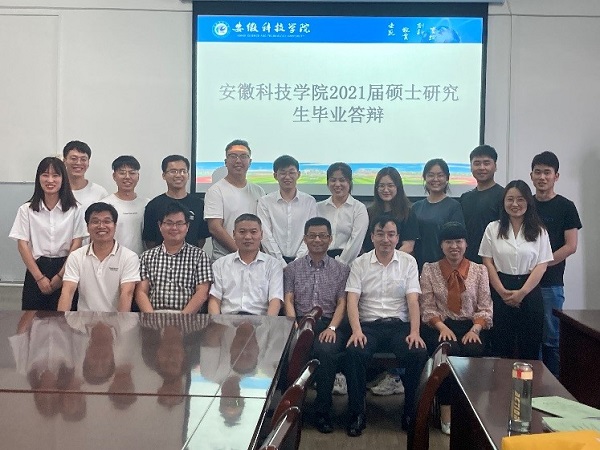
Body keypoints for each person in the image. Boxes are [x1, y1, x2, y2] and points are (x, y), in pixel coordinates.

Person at [344, 217, 427, 437]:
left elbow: (413, 300)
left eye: (391, 234)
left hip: (399, 326)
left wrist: (415, 332)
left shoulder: (408, 262)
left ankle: (411, 413)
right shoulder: (360, 263)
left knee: (417, 352)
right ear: (372, 237)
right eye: (380, 234)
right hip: (368, 326)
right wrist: (356, 331)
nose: (385, 239)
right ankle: (357, 414)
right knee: (354, 352)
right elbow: (352, 300)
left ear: (398, 238)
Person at [420, 222, 493, 434]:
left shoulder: (479, 270)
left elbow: (485, 306)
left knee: (473, 351)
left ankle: (471, 411)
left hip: (471, 326)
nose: (454, 246)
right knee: (446, 355)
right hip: (440, 326)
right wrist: (441, 327)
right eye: (448, 242)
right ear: (441, 245)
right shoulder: (430, 270)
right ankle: (446, 411)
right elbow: (427, 306)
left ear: (466, 244)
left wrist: (475, 329)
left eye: (458, 241)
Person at [283, 217, 351, 433]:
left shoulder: (341, 269)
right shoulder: (292, 269)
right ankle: (289, 411)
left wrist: (332, 328)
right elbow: (288, 299)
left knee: (326, 351)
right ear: (304, 239)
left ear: (330, 239)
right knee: (287, 352)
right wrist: (294, 325)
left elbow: (342, 303)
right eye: (312, 236)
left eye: (322, 236)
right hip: (299, 322)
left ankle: (323, 412)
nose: (317, 240)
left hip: (328, 324)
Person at [479, 180, 553, 360]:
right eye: (510, 199)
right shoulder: (493, 228)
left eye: (520, 199)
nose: (515, 204)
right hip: (500, 287)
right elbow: (487, 261)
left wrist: (522, 293)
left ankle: (529, 379)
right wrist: (502, 291)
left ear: (528, 202)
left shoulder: (539, 230)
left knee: (530, 347)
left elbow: (542, 265)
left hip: (530, 290)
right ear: (503, 202)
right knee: (501, 346)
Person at [9, 157, 87, 310]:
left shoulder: (76, 209)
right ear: (38, 178)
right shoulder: (26, 210)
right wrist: (39, 278)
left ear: (63, 179)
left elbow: (76, 244)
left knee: (65, 320)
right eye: (45, 175)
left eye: (55, 175)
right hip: (36, 269)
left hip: (66, 268)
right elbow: (22, 245)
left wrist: (61, 276)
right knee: (32, 319)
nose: (50, 180)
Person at [530, 151, 582, 377]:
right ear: (531, 175)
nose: (542, 177)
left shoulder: (566, 206)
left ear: (556, 176)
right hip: (524, 284)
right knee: (530, 340)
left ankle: (554, 389)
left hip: (551, 284)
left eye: (547, 172)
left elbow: (571, 246)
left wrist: (543, 264)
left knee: (551, 340)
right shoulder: (525, 204)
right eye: (538, 172)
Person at [57, 202, 140, 312]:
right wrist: (61, 321)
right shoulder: (76, 256)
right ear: (87, 227)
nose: (101, 226)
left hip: (116, 320)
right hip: (84, 320)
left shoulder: (129, 257)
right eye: (95, 222)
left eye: (107, 221)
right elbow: (67, 292)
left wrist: (120, 322)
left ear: (115, 226)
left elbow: (127, 294)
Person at [136, 201, 213, 313]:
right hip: (154, 316)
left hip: (188, 317)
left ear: (187, 226)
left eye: (179, 223)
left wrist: (182, 318)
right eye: (169, 223)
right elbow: (141, 292)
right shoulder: (146, 257)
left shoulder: (200, 256)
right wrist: (152, 318)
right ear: (160, 225)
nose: (174, 228)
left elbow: (202, 292)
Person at [208, 214, 283, 316]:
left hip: (260, 321)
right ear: (234, 234)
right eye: (242, 232)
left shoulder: (273, 265)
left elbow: (275, 301)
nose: (248, 237)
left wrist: (267, 324)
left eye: (253, 232)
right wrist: (216, 323)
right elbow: (214, 300)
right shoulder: (220, 264)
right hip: (227, 321)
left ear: (261, 234)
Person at [204, 139, 265, 261]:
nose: (238, 161)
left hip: (255, 261)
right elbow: (215, 228)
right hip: (225, 260)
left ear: (250, 162)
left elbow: (263, 226)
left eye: (243, 156)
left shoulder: (259, 191)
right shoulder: (216, 191)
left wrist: (256, 256)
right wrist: (242, 253)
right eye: (233, 156)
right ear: (226, 162)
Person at [257, 155, 317, 264]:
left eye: (291, 172)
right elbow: (265, 235)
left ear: (298, 174)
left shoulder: (309, 201)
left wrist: (297, 262)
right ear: (275, 175)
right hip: (272, 261)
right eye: (283, 173)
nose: (287, 177)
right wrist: (280, 262)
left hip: (303, 262)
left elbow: (311, 233)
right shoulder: (265, 202)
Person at [143, 155, 210, 249]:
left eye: (183, 171)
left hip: (191, 256)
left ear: (188, 175)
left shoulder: (198, 204)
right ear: (164, 175)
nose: (178, 175)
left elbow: (201, 238)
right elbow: (150, 240)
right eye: (173, 171)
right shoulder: (154, 205)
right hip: (161, 257)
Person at [412, 159, 465, 271]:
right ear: (425, 177)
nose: (435, 179)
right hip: (417, 266)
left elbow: (457, 241)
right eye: (431, 175)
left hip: (444, 267)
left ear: (447, 178)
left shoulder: (454, 206)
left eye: (440, 175)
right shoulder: (416, 207)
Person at [317, 162, 369, 266]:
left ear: (349, 182)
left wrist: (340, 264)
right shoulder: (318, 207)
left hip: (348, 263)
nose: (337, 184)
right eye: (333, 180)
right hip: (319, 261)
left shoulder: (359, 208)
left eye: (342, 180)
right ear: (327, 183)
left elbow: (356, 242)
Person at [460, 145, 504, 264]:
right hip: (467, 262)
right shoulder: (465, 198)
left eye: (486, 163)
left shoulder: (504, 195)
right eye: (477, 163)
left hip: (495, 262)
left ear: (495, 166)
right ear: (471, 167)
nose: (482, 167)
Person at [363, 167, 419, 254]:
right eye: (381, 186)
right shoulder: (368, 213)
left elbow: (408, 246)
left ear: (398, 187)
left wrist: (388, 259)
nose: (385, 190)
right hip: (371, 260)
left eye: (390, 185)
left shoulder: (408, 213)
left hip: (398, 261)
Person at [103, 155, 149, 255]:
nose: (127, 177)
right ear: (114, 176)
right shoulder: (105, 205)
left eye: (132, 173)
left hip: (141, 259)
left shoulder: (147, 204)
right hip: (112, 258)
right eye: (122, 173)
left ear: (138, 176)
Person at [62, 140, 108, 210]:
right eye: (74, 159)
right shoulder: (56, 190)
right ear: (64, 161)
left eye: (83, 159)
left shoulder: (99, 192)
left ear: (88, 162)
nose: (78, 163)